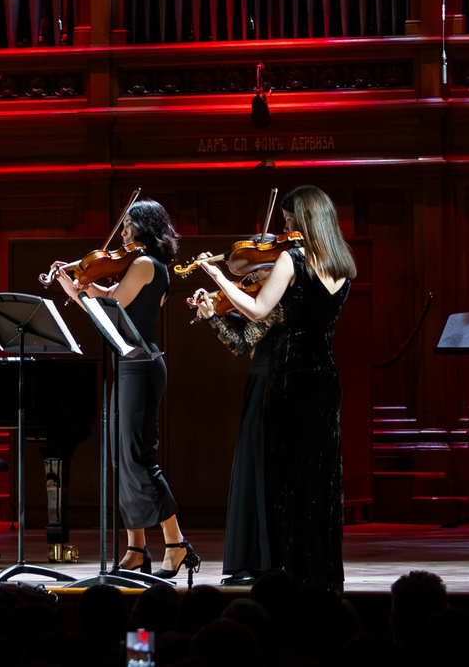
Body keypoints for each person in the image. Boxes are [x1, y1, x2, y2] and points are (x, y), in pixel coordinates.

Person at [196, 184, 357, 590]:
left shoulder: (292, 259)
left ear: (303, 220)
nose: (285, 229)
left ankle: (294, 573)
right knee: (321, 481)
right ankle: (322, 574)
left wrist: (216, 276)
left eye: (288, 221)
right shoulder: (342, 266)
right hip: (325, 378)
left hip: (291, 378)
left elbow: (255, 310)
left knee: (289, 481)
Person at [53, 199, 196, 579]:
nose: (124, 232)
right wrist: (77, 283)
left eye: (131, 225)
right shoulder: (138, 265)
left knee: (138, 458)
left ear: (147, 227)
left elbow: (111, 308)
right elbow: (107, 296)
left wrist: (78, 293)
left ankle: (176, 542)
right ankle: (136, 548)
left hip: (141, 365)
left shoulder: (148, 265)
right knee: (122, 460)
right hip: (129, 364)